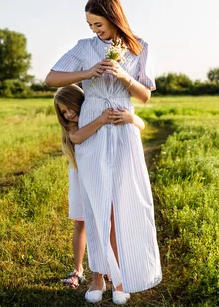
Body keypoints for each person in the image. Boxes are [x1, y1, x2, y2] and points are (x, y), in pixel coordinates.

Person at [46, 0, 162, 305]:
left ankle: (122, 278)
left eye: (98, 23)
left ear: (113, 17)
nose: (94, 30)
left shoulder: (140, 47)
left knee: (124, 203)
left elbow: (145, 96)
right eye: (90, 24)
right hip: (94, 127)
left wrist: (123, 76)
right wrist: (88, 73)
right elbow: (50, 78)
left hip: (124, 129)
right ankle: (97, 277)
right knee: (97, 205)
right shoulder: (84, 49)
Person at [53, 84, 146, 290]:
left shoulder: (94, 112)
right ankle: (78, 269)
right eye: (63, 112)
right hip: (80, 176)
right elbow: (77, 137)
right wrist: (101, 120)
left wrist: (131, 118)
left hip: (100, 172)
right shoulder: (76, 125)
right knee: (81, 222)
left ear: (81, 102)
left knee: (108, 221)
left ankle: (111, 269)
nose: (68, 114)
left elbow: (141, 124)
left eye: (70, 108)